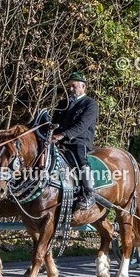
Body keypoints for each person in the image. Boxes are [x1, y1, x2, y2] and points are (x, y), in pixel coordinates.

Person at [51, 72, 100, 211]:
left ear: (83, 86)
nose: (71, 90)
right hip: (59, 140)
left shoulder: (90, 104)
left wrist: (63, 135)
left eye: (74, 86)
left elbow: (83, 125)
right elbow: (54, 122)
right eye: (69, 87)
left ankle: (90, 192)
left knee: (80, 158)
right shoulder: (62, 104)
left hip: (79, 140)